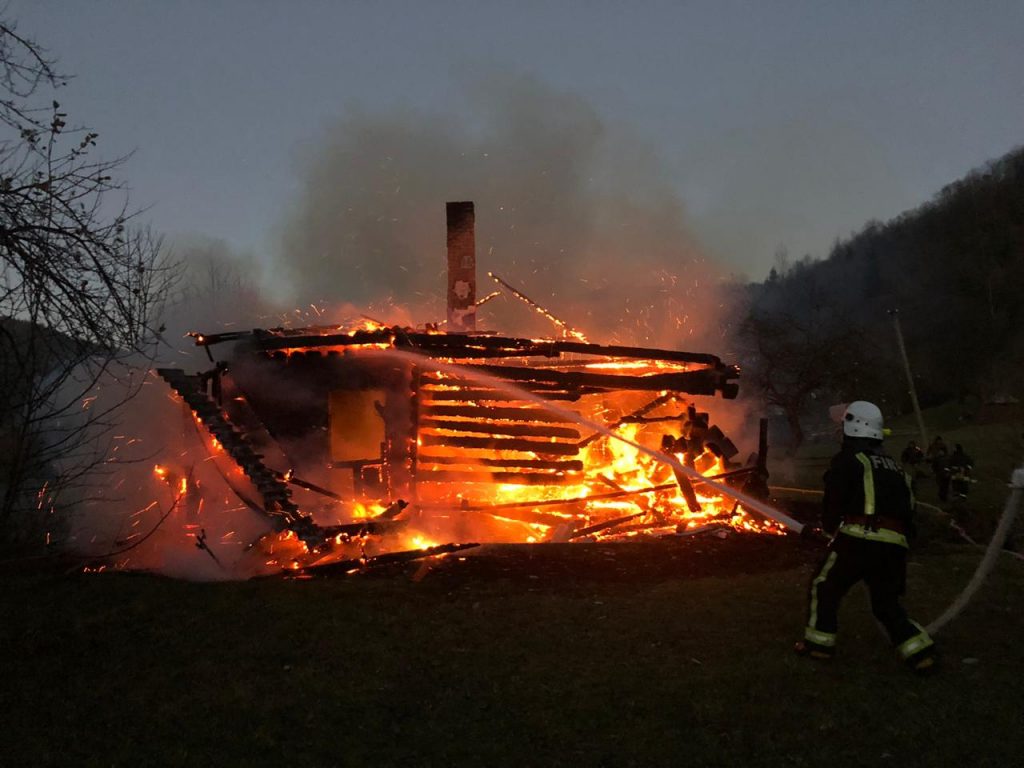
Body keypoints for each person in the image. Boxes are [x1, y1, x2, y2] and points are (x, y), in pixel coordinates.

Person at [795, 400, 936, 673]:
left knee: (824, 586)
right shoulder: (897, 469)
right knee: (885, 603)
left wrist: (828, 528)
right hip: (895, 545)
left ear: (853, 427)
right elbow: (910, 514)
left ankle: (819, 645)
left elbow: (834, 500)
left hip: (859, 540)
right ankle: (921, 653)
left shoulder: (850, 460)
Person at [927, 436, 950, 501]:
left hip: (943, 470)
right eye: (938, 440)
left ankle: (943, 495)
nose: (939, 441)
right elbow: (929, 451)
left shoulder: (943, 446)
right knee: (941, 484)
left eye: (940, 440)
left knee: (945, 485)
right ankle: (942, 495)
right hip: (938, 467)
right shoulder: (933, 446)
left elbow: (946, 452)